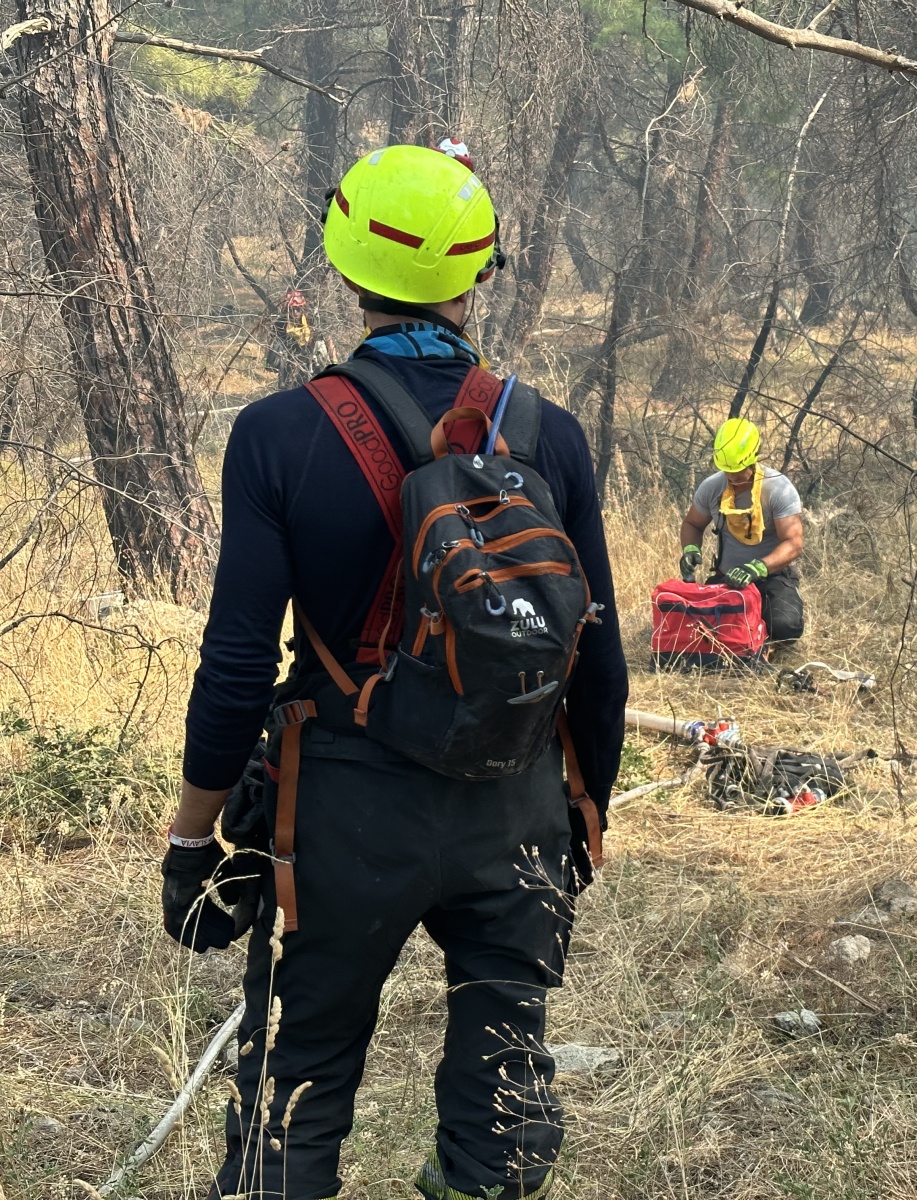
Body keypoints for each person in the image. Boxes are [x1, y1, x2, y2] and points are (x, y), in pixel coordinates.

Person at [160, 143, 628, 1200]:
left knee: (299, 1080)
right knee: (501, 1099)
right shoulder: (545, 433)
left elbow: (236, 666)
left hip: (341, 809)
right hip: (514, 809)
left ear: (341, 262)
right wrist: (582, 817)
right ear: (482, 272)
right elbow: (597, 664)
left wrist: (196, 838)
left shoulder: (279, 434)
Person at [678, 417, 806, 643]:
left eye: (737, 471)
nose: (731, 477)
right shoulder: (712, 487)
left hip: (771, 578)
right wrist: (690, 547)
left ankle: (768, 624)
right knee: (698, 627)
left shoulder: (778, 488)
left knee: (783, 628)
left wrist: (759, 567)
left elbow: (794, 543)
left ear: (753, 458)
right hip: (727, 579)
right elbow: (692, 524)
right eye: (726, 470)